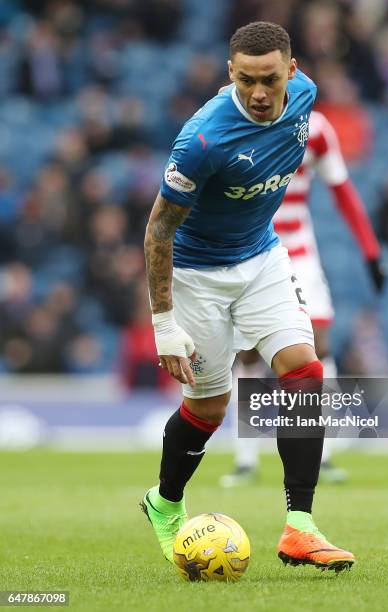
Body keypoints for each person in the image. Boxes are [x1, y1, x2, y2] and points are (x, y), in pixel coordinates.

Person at [141, 21, 355, 573]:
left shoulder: (305, 97)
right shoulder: (203, 140)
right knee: (210, 406)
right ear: (229, 74)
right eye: (245, 81)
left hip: (262, 257)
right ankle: (164, 503)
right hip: (197, 275)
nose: (259, 94)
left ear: (292, 71)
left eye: (269, 80)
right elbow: (158, 231)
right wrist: (163, 324)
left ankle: (300, 528)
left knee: (304, 373)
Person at [221, 108, 386, 487]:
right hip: (251, 249)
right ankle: (246, 460)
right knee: (248, 352)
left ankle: (321, 454)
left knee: (318, 342)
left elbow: (342, 191)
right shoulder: (233, 121)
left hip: (298, 247)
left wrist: (371, 251)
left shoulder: (316, 128)